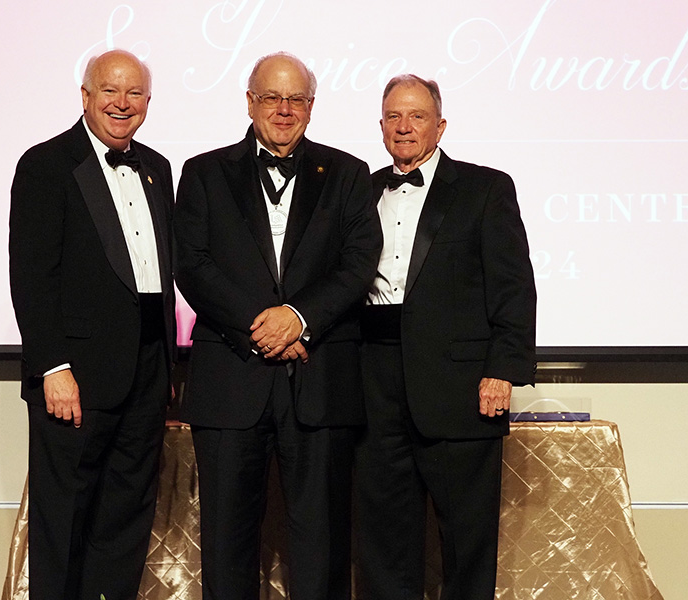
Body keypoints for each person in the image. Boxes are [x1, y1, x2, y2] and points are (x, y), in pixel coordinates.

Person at [173, 52, 381, 600]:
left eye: (296, 99)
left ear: (311, 106)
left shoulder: (349, 174)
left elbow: (359, 263)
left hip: (320, 382)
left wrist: (298, 319)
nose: (283, 110)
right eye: (271, 97)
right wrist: (257, 326)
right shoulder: (203, 172)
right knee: (227, 540)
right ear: (250, 102)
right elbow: (191, 264)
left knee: (322, 542)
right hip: (230, 379)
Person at [354, 74, 537, 600]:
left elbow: (513, 286)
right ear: (381, 125)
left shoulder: (485, 187)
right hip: (373, 380)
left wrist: (502, 368)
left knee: (466, 540)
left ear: (440, 124)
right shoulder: (361, 190)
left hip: (460, 387)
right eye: (393, 116)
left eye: (416, 116)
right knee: (384, 537)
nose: (404, 126)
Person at [8, 49, 175, 600]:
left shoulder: (157, 168)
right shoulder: (46, 164)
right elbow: (32, 277)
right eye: (110, 91)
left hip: (146, 374)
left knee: (125, 520)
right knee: (63, 522)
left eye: (134, 94)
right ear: (86, 97)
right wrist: (53, 367)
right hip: (74, 379)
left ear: (148, 102)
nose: (122, 104)